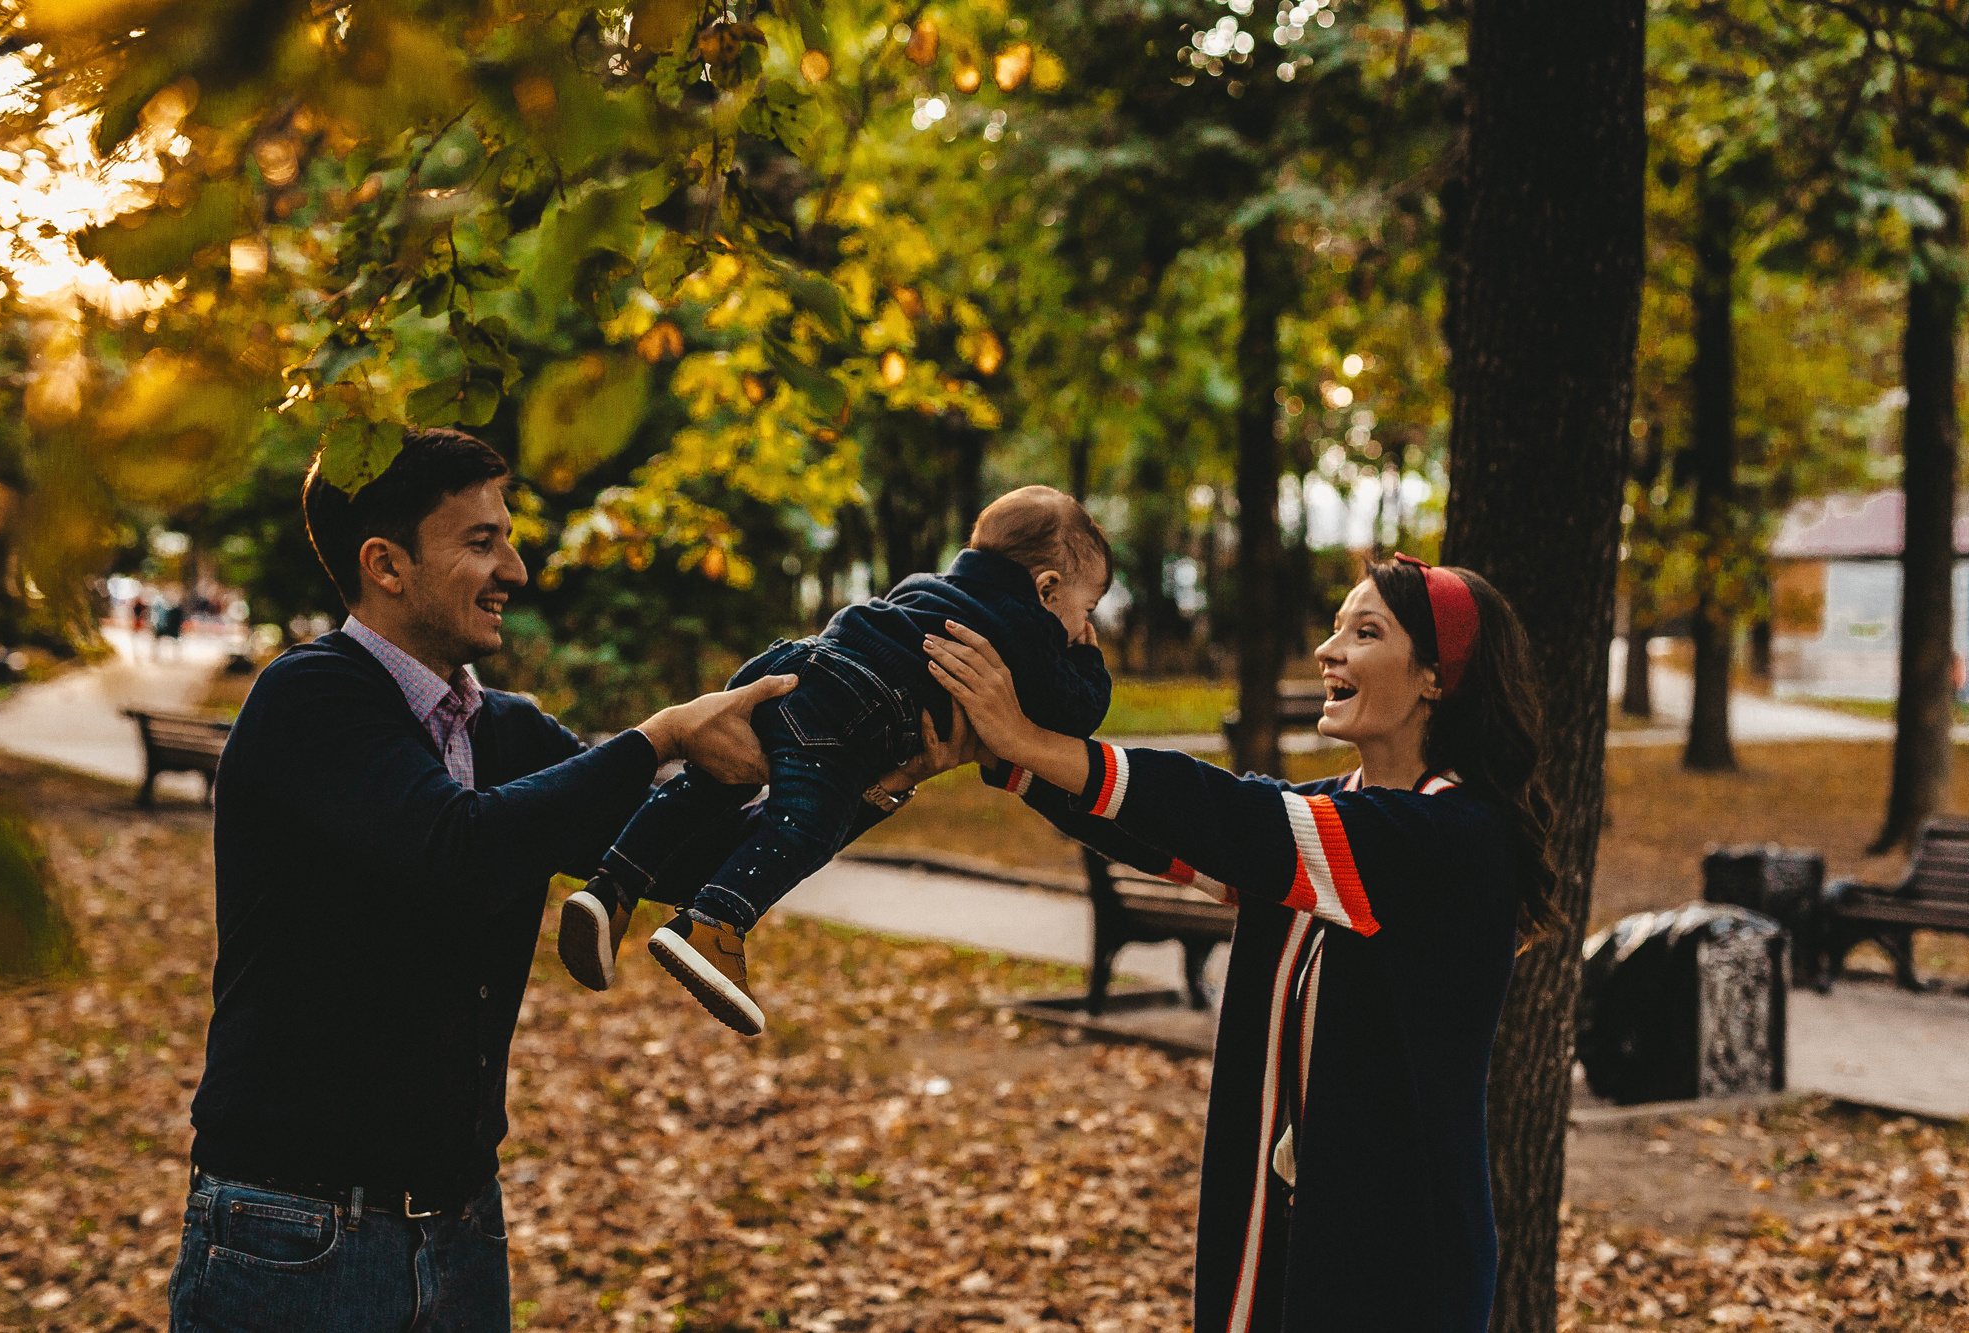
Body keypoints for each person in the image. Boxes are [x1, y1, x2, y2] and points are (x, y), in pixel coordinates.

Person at [166, 429, 956, 1333]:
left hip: (458, 1226)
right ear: (385, 564)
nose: (516, 567)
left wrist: (873, 784)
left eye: (507, 535)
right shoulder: (310, 700)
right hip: (293, 1231)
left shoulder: (504, 729)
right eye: (480, 541)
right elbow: (459, 847)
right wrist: (658, 735)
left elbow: (686, 859)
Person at [924, 553, 1559, 1333]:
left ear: (1435, 676)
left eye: (1365, 632)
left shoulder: (1452, 836)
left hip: (1396, 1257)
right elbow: (1183, 841)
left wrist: (1026, 740)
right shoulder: (1337, 819)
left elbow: (1232, 818)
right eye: (1335, 628)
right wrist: (1004, 758)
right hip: (1289, 1225)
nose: (1329, 651)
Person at [557, 484, 1115, 1036]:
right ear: (1047, 589)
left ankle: (611, 888)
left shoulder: (926, 585)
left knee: (709, 783)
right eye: (1086, 610)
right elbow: (1076, 710)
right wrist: (1088, 660)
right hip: (855, 709)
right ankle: (715, 923)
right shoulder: (1029, 627)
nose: (1081, 627)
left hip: (798, 661)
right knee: (806, 825)